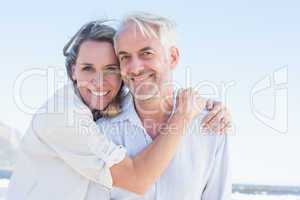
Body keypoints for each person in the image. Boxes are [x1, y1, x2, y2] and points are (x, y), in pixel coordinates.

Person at [6, 19, 230, 200]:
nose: (99, 82)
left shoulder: (207, 129)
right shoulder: (66, 119)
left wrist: (206, 107)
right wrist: (182, 115)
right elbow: (136, 179)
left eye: (111, 68)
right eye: (87, 68)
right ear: (73, 70)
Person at [89, 12, 231, 200]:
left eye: (146, 53)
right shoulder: (102, 131)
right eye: (125, 57)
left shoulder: (210, 124)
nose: (135, 68)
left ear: (172, 57)